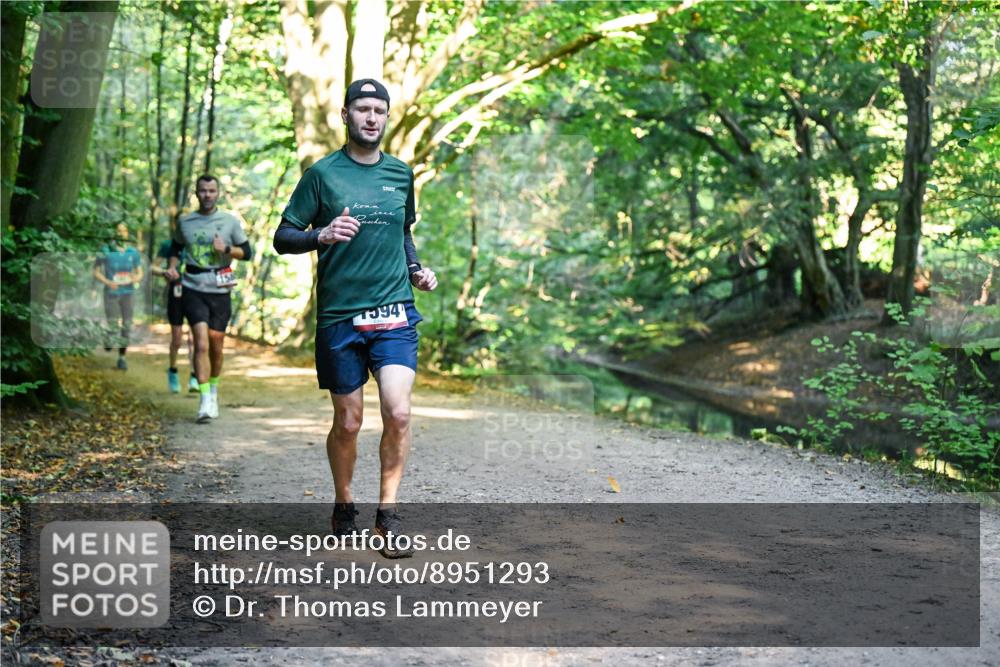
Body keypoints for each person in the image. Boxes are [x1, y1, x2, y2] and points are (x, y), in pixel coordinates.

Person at [273, 79, 437, 558]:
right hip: (341, 317)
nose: (371, 117)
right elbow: (283, 237)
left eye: (379, 111)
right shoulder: (322, 175)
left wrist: (415, 270)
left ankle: (388, 515)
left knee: (399, 411)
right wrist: (320, 235)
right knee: (348, 422)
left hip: (395, 312)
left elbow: (402, 233)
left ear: (387, 118)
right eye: (362, 109)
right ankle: (344, 502)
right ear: (345, 116)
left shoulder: (401, 174)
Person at [166, 175, 252, 423]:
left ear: (218, 193)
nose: (207, 195)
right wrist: (173, 268)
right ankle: (204, 400)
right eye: (202, 191)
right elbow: (175, 248)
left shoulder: (229, 221)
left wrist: (225, 249)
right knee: (201, 343)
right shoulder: (185, 222)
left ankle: (213, 388)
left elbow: (247, 252)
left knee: (216, 346)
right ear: (196, 192)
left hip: (220, 288)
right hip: (193, 286)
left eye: (211, 191)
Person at [94, 223, 144, 370]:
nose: (121, 233)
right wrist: (108, 282)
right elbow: (96, 271)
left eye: (124, 231)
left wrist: (136, 278)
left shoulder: (133, 252)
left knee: (127, 325)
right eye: (118, 231)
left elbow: (139, 272)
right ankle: (109, 337)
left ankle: (122, 357)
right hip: (111, 292)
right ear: (113, 233)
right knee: (113, 323)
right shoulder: (105, 250)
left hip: (128, 292)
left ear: (127, 233)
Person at [151, 238, 197, 393]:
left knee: (194, 338)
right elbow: (152, 267)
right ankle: (173, 371)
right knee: (176, 339)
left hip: (196, 294)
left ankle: (194, 376)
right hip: (175, 293)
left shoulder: (198, 242)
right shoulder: (168, 245)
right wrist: (165, 272)